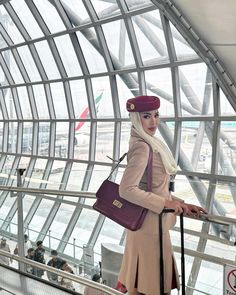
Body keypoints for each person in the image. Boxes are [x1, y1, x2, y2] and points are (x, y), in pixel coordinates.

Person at [118, 95, 207, 295]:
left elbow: (155, 188)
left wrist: (181, 204)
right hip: (150, 228)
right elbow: (126, 189)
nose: (154, 121)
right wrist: (165, 202)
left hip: (152, 226)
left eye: (156, 115)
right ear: (135, 118)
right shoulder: (143, 146)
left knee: (144, 286)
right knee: (153, 287)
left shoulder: (149, 142)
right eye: (146, 116)